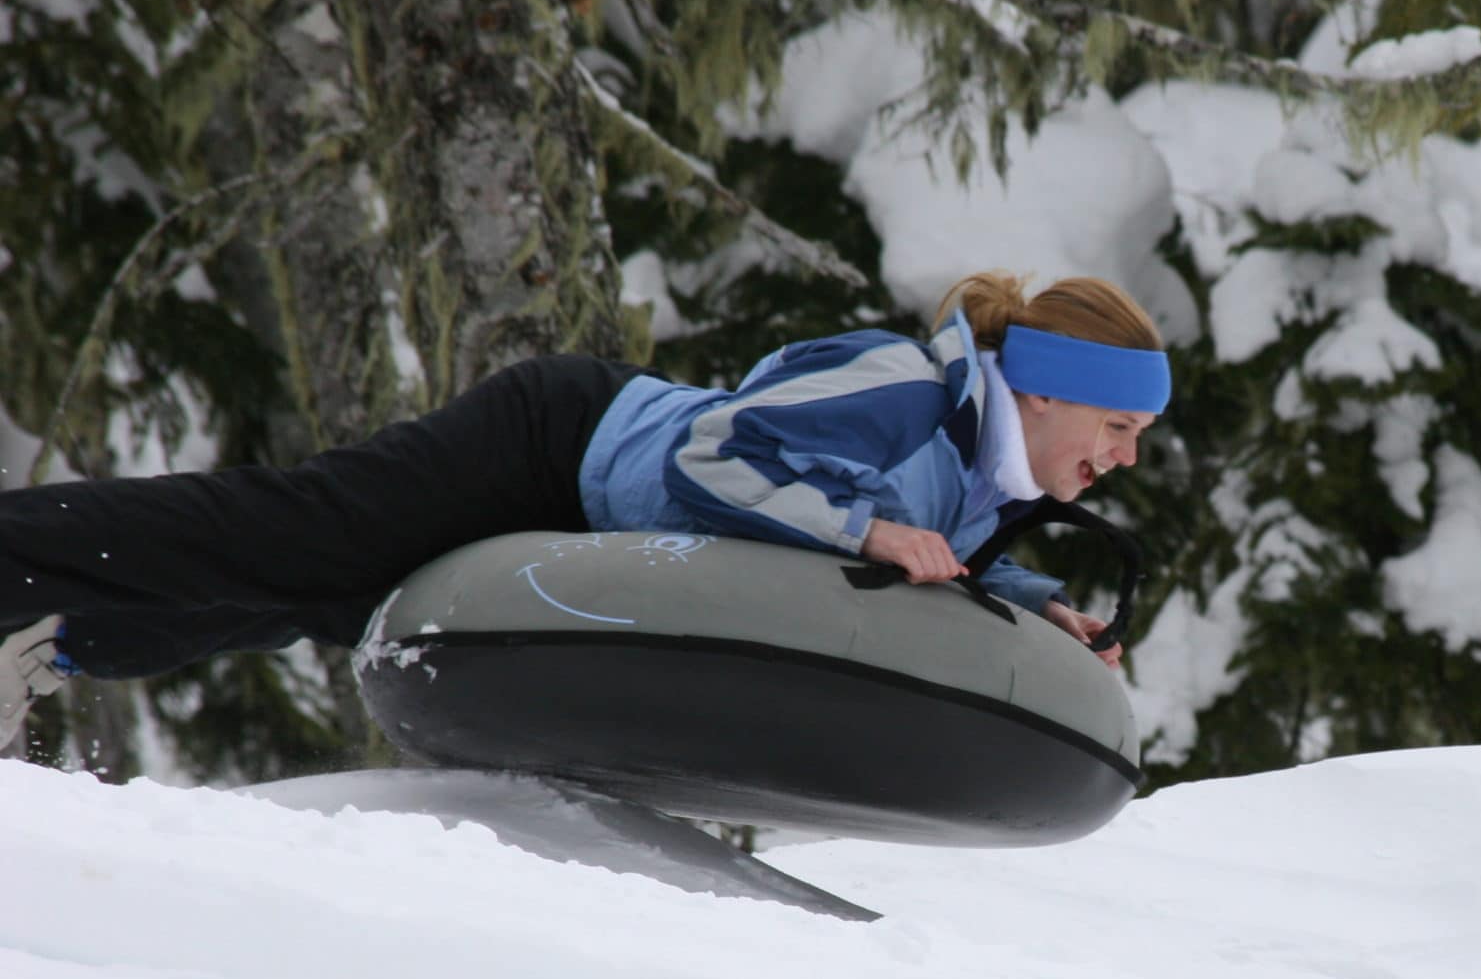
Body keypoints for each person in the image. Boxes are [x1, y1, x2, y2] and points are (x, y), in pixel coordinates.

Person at [0, 270, 1168, 748]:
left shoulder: (975, 486)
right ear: (1045, 389)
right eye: (1117, 426)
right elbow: (717, 454)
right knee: (301, 535)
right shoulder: (907, 388)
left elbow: (914, 550)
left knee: (322, 597)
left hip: (586, 514)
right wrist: (863, 532)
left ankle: (58, 632)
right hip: (555, 445)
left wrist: (1033, 605)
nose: (1121, 458)